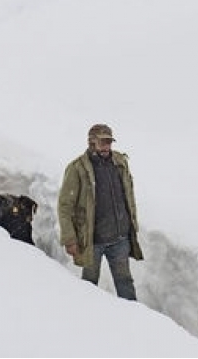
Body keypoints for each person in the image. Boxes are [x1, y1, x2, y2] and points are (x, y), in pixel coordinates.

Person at [58, 123, 143, 300]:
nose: (107, 146)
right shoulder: (77, 168)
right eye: (102, 142)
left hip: (120, 238)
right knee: (89, 286)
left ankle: (134, 322)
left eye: (109, 142)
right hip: (92, 241)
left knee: (125, 283)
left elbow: (128, 194)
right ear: (91, 143)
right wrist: (69, 239)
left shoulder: (119, 162)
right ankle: (88, 319)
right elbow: (65, 206)